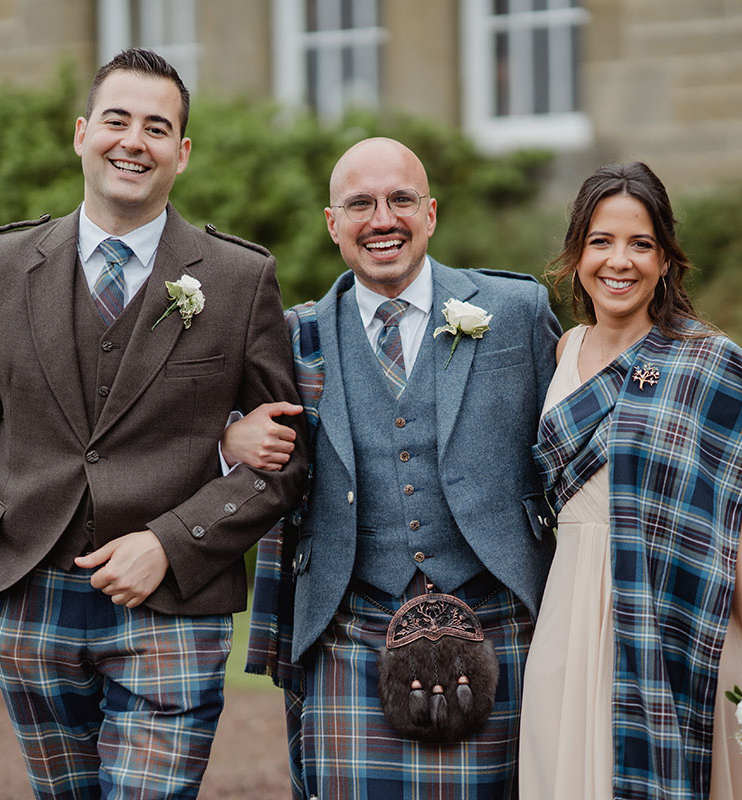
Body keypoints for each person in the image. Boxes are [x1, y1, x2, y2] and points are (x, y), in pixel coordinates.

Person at [0, 48, 307, 799]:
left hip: (174, 607)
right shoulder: (2, 264)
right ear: (81, 134)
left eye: (157, 127)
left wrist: (172, 543)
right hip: (29, 602)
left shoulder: (237, 279)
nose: (134, 141)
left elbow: (284, 461)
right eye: (117, 120)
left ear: (182, 153)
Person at [228, 136, 562, 797]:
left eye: (400, 199)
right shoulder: (294, 337)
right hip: (352, 625)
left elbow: (570, 446)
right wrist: (231, 436)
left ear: (431, 213)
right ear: (332, 224)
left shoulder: (516, 313)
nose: (383, 219)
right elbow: (210, 426)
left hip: (499, 612)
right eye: (360, 204)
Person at [518, 162, 742, 799]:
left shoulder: (704, 360)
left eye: (641, 243)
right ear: (576, 255)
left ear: (666, 259)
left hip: (676, 611)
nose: (620, 261)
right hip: (569, 613)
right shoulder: (564, 350)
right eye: (601, 241)